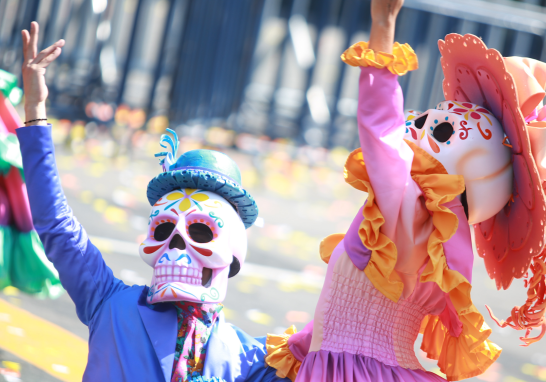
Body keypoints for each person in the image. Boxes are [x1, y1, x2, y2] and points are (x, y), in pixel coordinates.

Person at [264, 0, 546, 381]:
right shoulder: (440, 241)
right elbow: (351, 311)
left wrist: (383, 24)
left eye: (439, 129)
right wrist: (302, 348)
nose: (414, 123)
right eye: (428, 116)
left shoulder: (409, 210)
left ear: (465, 172)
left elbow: (380, 126)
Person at [18, 22, 290, 382]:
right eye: (163, 229)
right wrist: (36, 111)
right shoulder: (108, 302)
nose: (176, 246)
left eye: (200, 232)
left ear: (234, 250)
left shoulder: (251, 360)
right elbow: (56, 225)